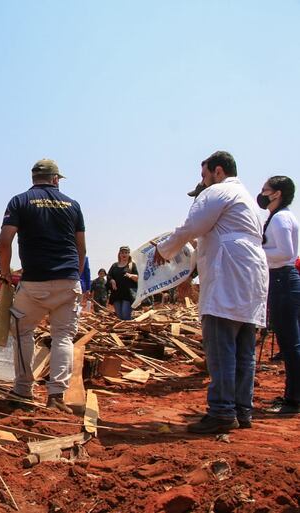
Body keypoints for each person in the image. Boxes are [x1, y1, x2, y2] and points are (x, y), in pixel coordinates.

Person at [153, 151, 268, 433]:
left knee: (221, 345)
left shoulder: (218, 192)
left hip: (228, 277)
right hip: (251, 277)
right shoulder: (248, 201)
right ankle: (242, 410)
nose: (202, 182)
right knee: (243, 349)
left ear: (217, 171)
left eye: (204, 175)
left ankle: (221, 412)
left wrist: (164, 250)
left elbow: (191, 227)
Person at [0, 158, 86, 414]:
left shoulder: (20, 201)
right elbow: (81, 248)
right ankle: (56, 396)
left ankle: (23, 390)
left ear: (33, 178)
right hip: (68, 281)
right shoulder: (73, 205)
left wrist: (5, 274)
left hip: (33, 283)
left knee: (22, 331)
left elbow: (4, 242)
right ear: (56, 179)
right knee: (63, 337)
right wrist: (74, 276)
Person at [258, 176, 300, 415]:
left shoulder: (281, 218)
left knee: (290, 344)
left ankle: (293, 400)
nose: (262, 194)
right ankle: (292, 395)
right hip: (282, 279)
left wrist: (256, 249)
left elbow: (286, 252)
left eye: (266, 190)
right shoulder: (278, 217)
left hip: (283, 279)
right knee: (290, 342)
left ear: (278, 193)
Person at [108, 246, 138, 320]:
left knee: (125, 315)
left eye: (126, 252)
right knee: (119, 316)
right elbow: (109, 275)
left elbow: (138, 278)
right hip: (116, 294)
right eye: (122, 253)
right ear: (119, 254)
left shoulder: (132, 265)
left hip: (128, 294)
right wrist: (112, 280)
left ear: (129, 254)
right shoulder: (114, 265)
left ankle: (130, 330)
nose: (124, 254)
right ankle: (123, 331)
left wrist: (131, 275)